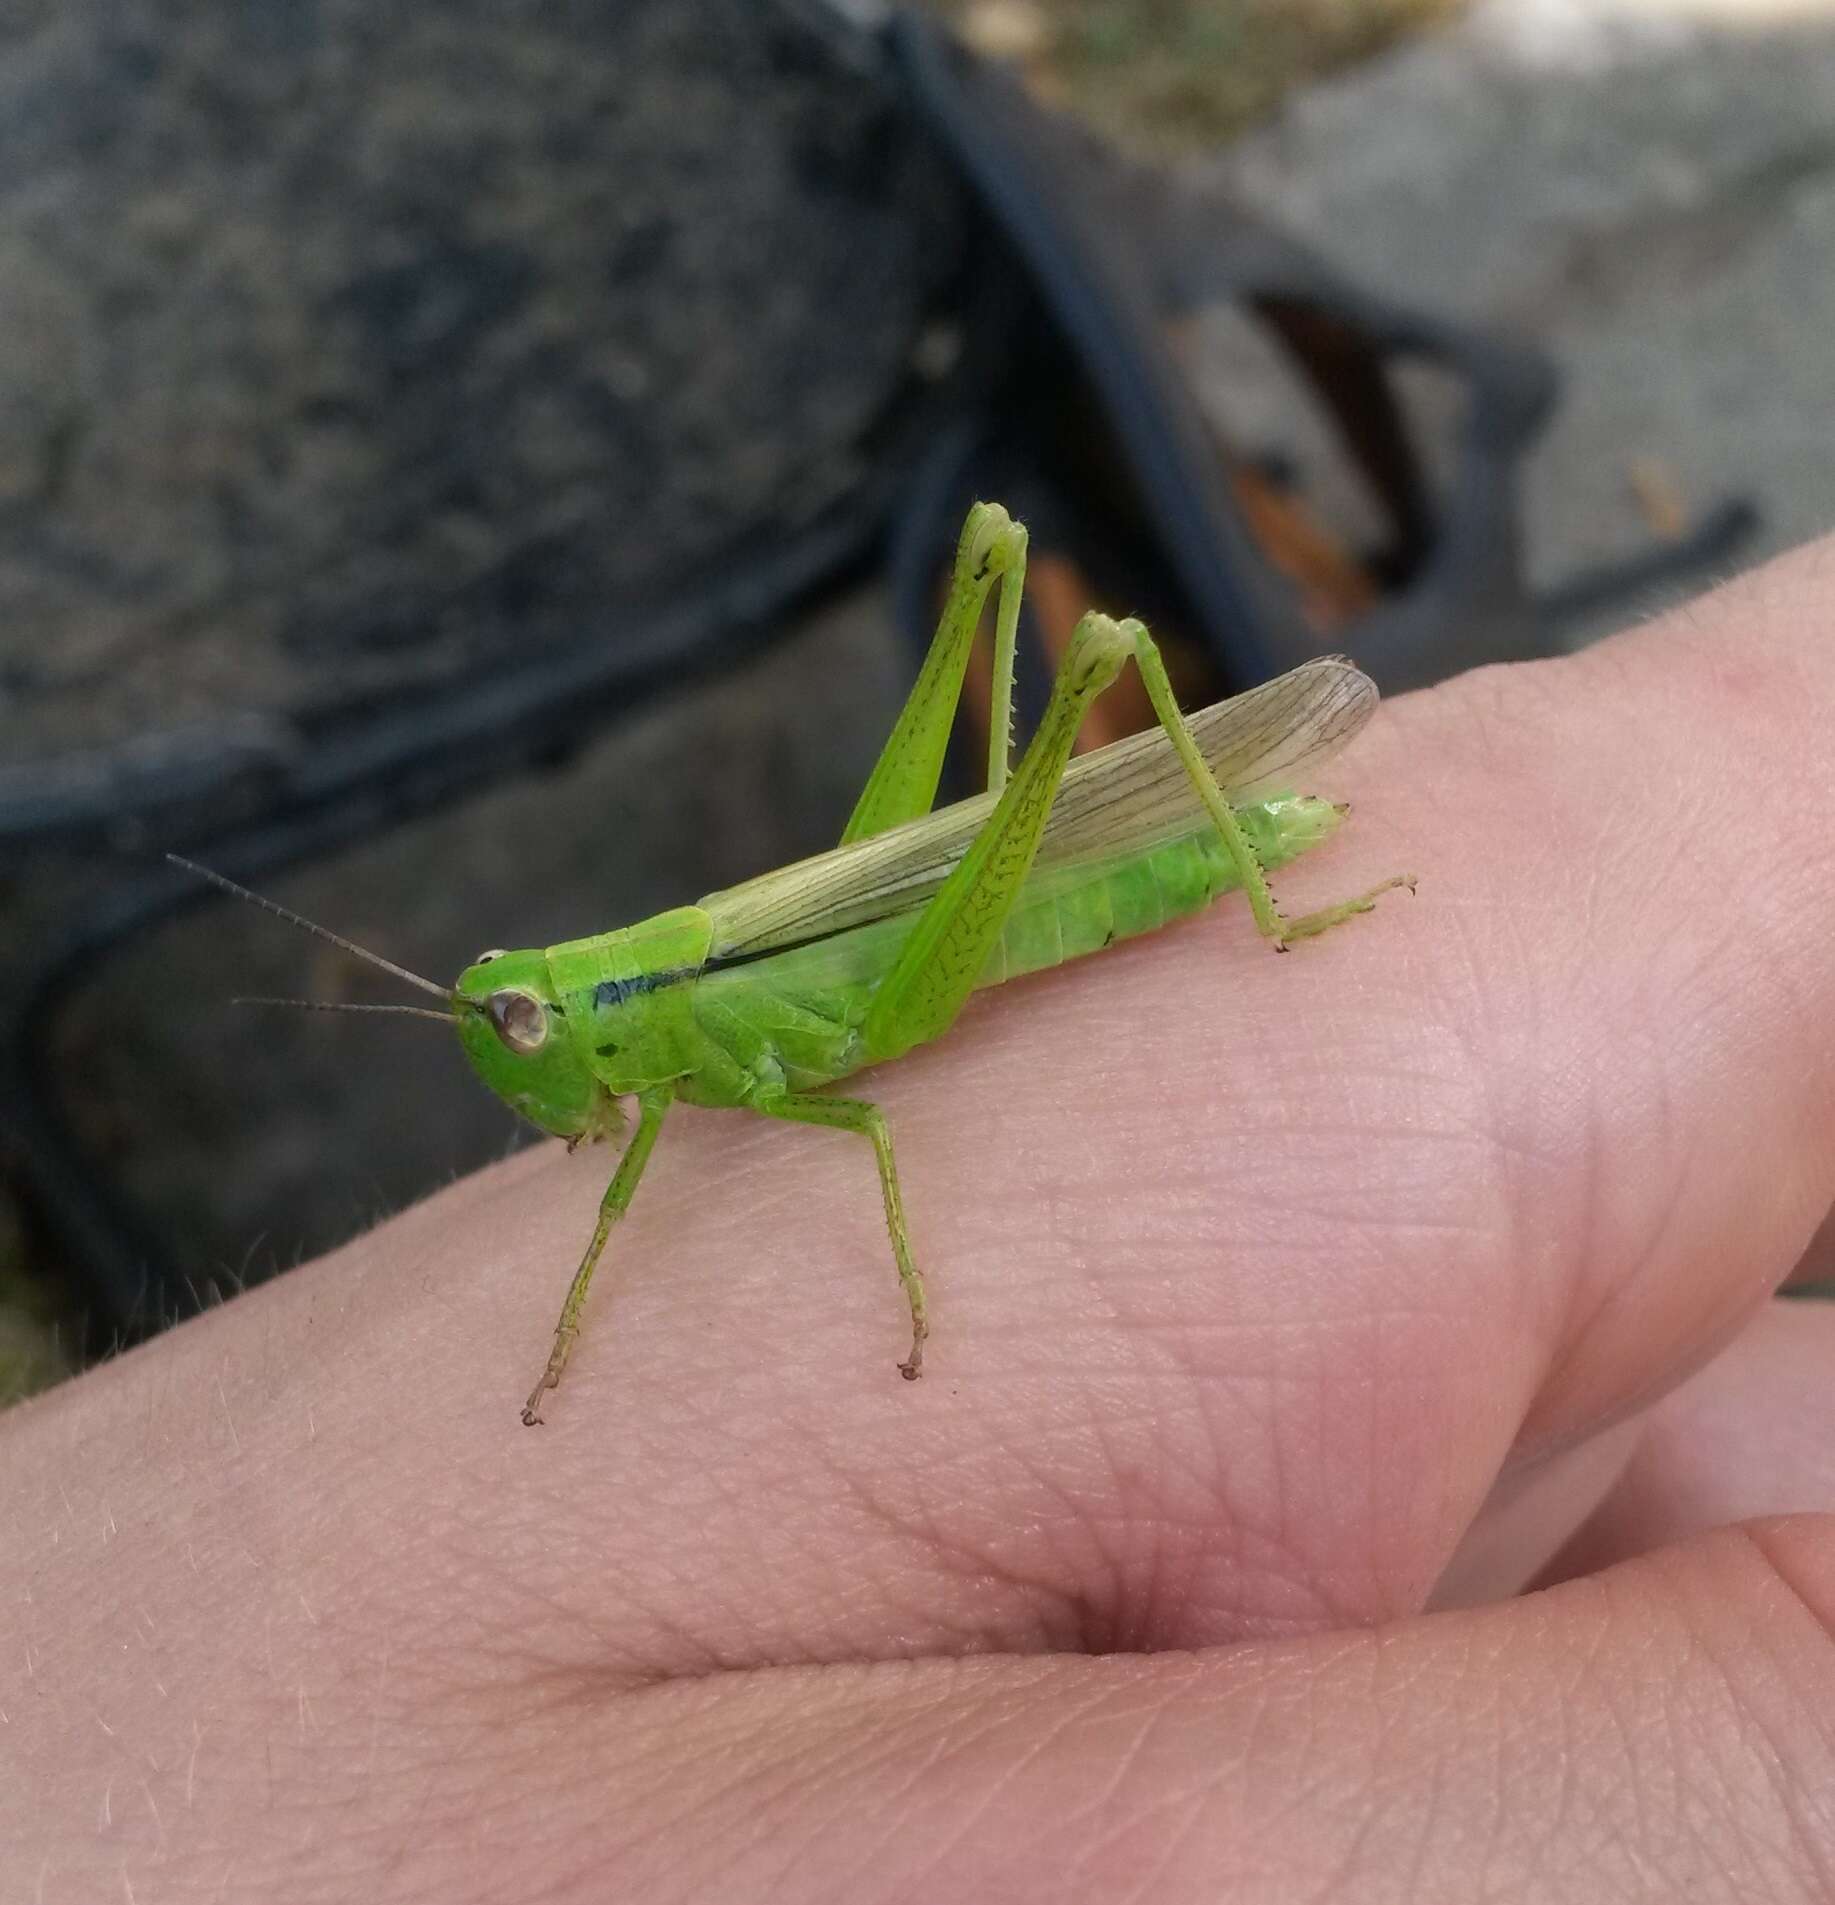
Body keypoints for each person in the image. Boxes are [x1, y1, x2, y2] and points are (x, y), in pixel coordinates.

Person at [6, 541, 1834, 1901]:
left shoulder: (672, 1037)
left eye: (524, 1027)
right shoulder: (623, 1039)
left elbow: (864, 1141)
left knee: (1038, 637)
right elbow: (630, 1120)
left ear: (579, 1011)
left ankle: (1261, 898)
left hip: (946, 943)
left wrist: (584, 1330)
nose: (525, 1053)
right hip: (862, 949)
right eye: (514, 1028)